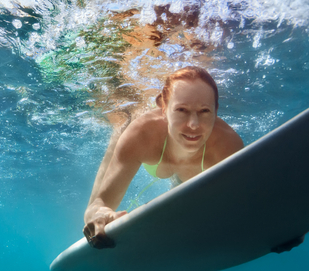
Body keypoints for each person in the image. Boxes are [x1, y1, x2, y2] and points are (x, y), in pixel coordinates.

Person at [83, 66, 244, 249]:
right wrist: (99, 214)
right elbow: (98, 203)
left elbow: (246, 201)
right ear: (163, 108)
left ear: (216, 110)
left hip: (187, 170)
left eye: (205, 111)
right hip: (143, 136)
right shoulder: (140, 135)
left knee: (184, 189)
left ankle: (177, 183)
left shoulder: (228, 145)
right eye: (181, 110)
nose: (193, 124)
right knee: (120, 130)